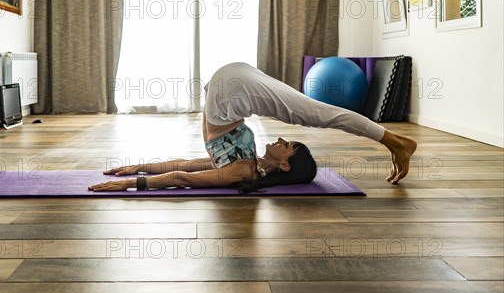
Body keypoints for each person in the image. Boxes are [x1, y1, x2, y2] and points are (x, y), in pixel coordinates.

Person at [89, 62, 417, 192]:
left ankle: (395, 141)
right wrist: (140, 172)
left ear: (284, 163)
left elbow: (183, 173)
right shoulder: (249, 164)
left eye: (288, 145)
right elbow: (184, 171)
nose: (282, 138)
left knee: (321, 114)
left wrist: (136, 178)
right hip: (233, 87)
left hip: (233, 86)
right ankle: (393, 140)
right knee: (318, 114)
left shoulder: (241, 171)